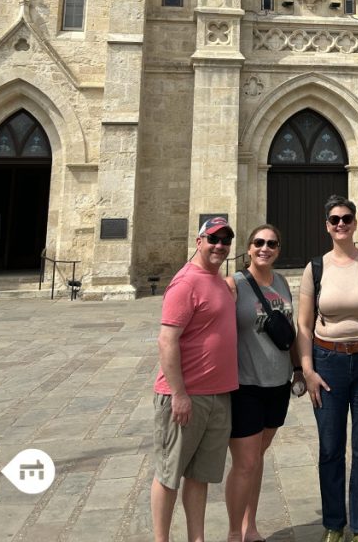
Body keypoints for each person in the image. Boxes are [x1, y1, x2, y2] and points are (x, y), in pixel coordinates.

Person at [297, 195, 358, 542]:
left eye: (347, 218)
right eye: (335, 219)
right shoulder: (316, 268)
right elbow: (304, 324)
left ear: (355, 223)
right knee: (330, 448)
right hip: (327, 363)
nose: (341, 224)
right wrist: (307, 369)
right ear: (327, 225)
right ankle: (334, 524)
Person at [151, 216, 238, 542]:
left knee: (199, 475)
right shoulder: (185, 282)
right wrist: (179, 393)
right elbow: (166, 340)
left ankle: (196, 538)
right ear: (199, 241)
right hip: (187, 395)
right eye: (213, 239)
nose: (219, 246)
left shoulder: (219, 281)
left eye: (225, 240)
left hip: (218, 394)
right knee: (168, 474)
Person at [225, 224, 304, 542]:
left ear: (278, 249)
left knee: (256, 457)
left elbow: (291, 332)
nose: (265, 248)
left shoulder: (283, 282)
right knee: (245, 462)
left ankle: (250, 527)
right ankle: (234, 533)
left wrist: (298, 370)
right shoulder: (234, 285)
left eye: (271, 243)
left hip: (278, 383)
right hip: (245, 385)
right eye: (259, 242)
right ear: (248, 247)